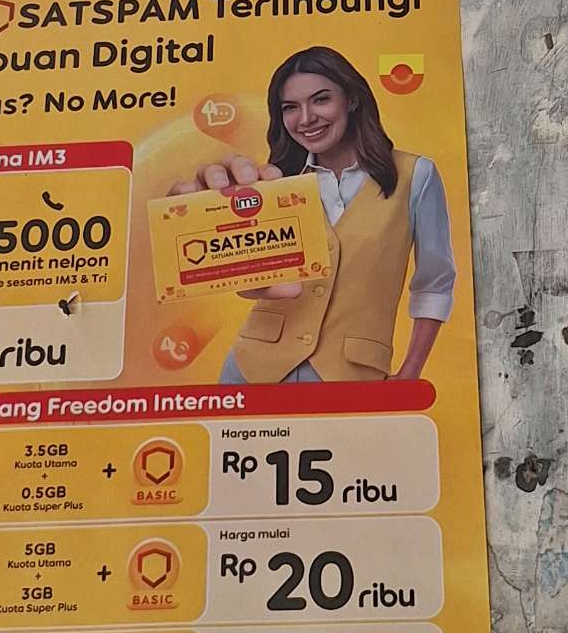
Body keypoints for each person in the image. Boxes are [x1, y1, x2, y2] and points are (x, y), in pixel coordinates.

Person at [170, 46, 456, 383]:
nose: (305, 119)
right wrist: (192, 219)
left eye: (321, 100)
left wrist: (411, 371)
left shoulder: (415, 175)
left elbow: (435, 282)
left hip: (351, 374)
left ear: (351, 99)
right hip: (252, 369)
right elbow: (245, 279)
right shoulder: (275, 183)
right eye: (290, 107)